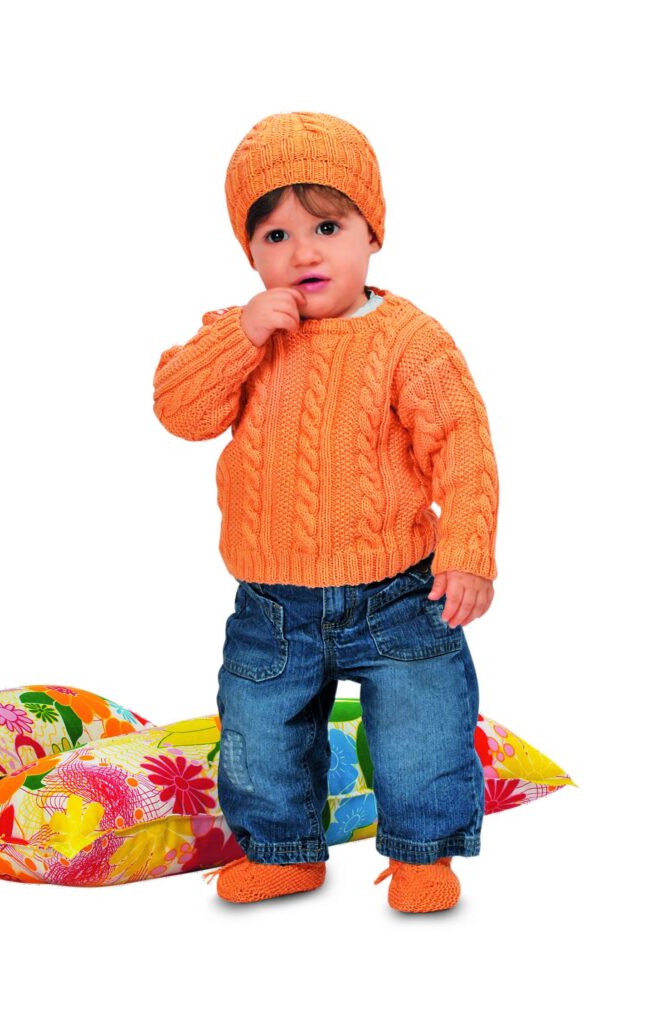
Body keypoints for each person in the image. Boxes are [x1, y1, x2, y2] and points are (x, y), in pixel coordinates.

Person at [152, 111, 499, 913]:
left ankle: (422, 857)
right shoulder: (243, 334)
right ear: (250, 253)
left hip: (399, 593)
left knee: (423, 729)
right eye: (275, 236)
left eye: (328, 227)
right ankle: (283, 852)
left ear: (371, 234)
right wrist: (239, 337)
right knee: (259, 731)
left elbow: (463, 448)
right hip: (272, 603)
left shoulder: (409, 340)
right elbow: (180, 412)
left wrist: (468, 551)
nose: (303, 252)